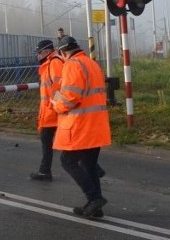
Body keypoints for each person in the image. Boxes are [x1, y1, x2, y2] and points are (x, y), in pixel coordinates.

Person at [51, 36, 112, 218]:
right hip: (96, 124)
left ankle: (94, 199)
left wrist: (55, 104)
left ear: (63, 53)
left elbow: (70, 97)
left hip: (80, 125)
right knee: (89, 165)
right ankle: (96, 207)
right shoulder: (92, 64)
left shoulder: (72, 65)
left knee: (67, 161)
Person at [29, 39, 63, 181]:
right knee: (51, 141)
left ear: (47, 52)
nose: (37, 55)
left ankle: (45, 171)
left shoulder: (54, 63)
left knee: (55, 142)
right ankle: (44, 171)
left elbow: (59, 87)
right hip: (51, 111)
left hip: (53, 112)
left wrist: (54, 106)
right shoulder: (50, 64)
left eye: (39, 52)